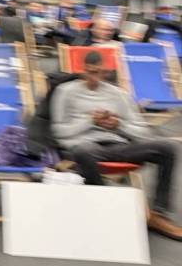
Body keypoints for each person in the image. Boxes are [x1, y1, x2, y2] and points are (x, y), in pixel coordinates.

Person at [52, 49, 180, 240]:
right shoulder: (65, 92)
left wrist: (118, 125)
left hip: (119, 145)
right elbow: (59, 132)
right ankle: (105, 205)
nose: (95, 78)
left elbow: (141, 132)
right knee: (84, 151)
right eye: (90, 72)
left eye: (100, 73)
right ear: (83, 70)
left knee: (167, 148)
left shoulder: (119, 94)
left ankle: (159, 214)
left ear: (106, 72)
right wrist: (90, 121)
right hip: (86, 146)